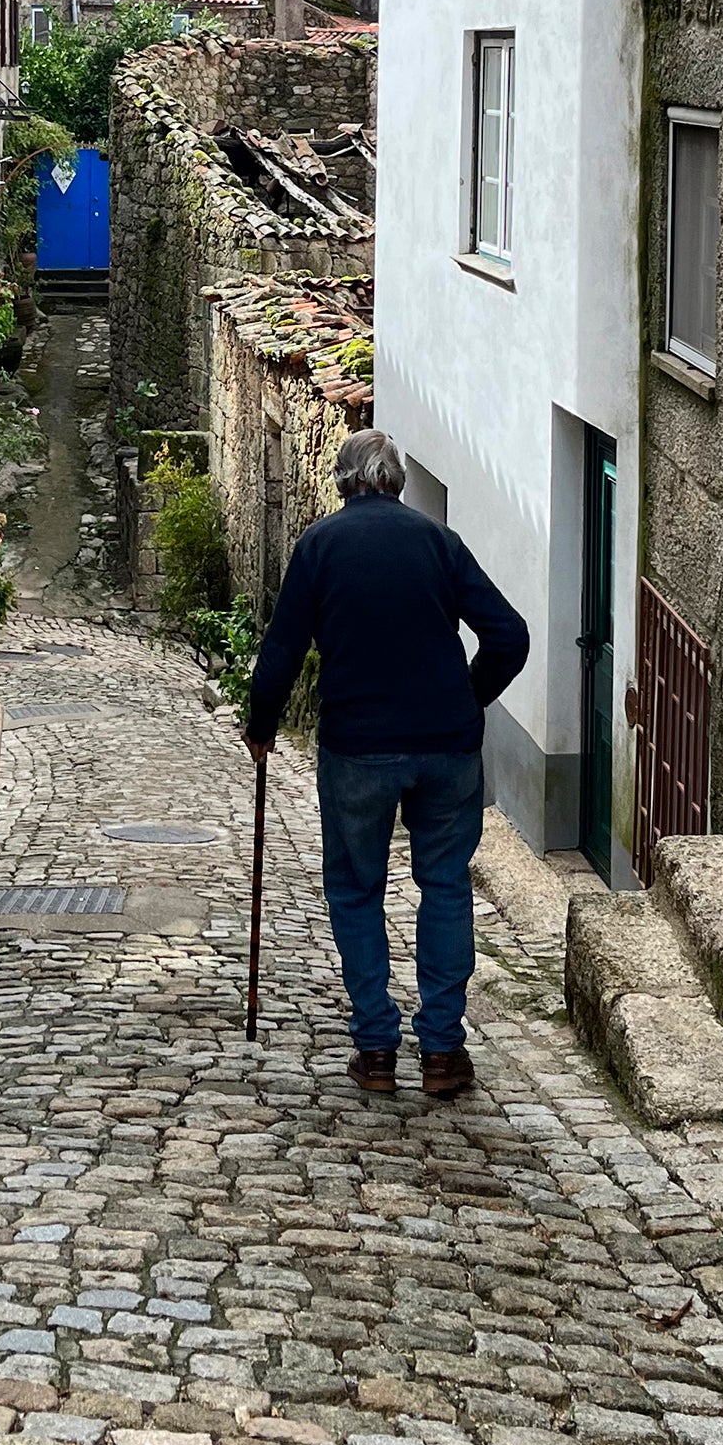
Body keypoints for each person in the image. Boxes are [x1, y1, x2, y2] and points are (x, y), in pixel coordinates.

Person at [243, 429, 530, 1097]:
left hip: (357, 748)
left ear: (344, 481)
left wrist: (262, 726)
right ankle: (442, 1054)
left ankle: (375, 1049)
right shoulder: (438, 542)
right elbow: (509, 635)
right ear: (396, 478)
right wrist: (468, 696)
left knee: (354, 889)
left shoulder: (319, 547)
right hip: (446, 745)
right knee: (446, 885)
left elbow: (281, 649)